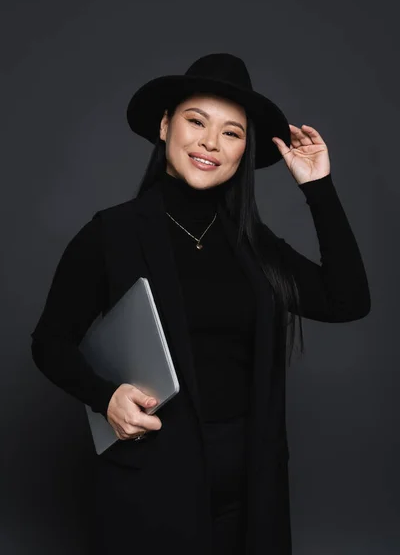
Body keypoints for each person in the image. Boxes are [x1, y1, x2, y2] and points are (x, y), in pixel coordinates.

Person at [30, 53, 371, 555]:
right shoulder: (111, 233)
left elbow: (347, 300)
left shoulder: (253, 242)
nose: (211, 142)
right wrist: (105, 398)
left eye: (232, 133)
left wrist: (317, 187)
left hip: (250, 489)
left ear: (243, 152)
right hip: (150, 484)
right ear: (166, 126)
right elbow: (50, 343)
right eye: (196, 121)